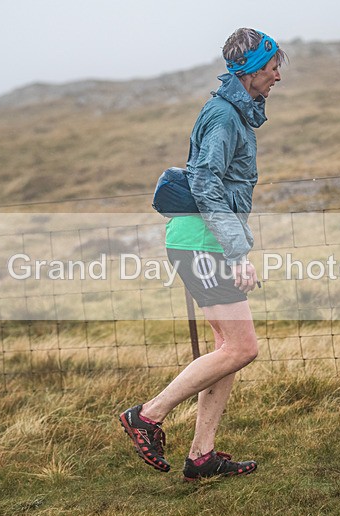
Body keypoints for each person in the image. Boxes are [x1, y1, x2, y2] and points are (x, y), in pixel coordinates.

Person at [119, 28, 287, 481]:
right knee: (241, 347)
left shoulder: (234, 113)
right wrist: (236, 252)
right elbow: (207, 183)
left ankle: (201, 455)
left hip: (200, 239)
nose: (278, 75)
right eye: (273, 66)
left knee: (226, 348)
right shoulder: (223, 117)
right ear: (250, 69)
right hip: (202, 241)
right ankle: (147, 416)